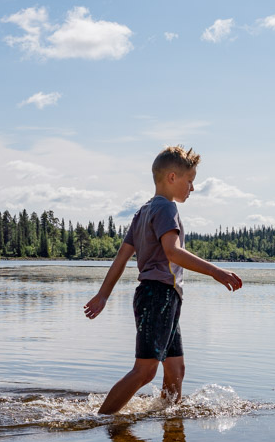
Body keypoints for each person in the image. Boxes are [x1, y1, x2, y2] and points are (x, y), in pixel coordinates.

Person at [84, 146, 242, 415]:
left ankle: (169, 422)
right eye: (189, 181)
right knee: (145, 371)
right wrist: (216, 272)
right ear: (172, 177)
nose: (192, 188)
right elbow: (173, 252)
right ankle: (100, 420)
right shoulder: (167, 209)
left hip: (160, 297)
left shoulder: (143, 211)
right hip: (158, 296)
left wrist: (103, 295)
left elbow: (122, 258)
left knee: (175, 368)